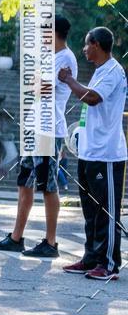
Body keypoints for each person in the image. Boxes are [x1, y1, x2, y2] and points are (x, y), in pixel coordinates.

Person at [0, 16, 77, 258]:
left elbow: (39, 88)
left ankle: (50, 242)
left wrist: (36, 79)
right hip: (34, 127)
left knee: (48, 185)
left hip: (49, 130)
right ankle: (16, 237)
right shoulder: (50, 58)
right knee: (24, 181)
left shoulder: (65, 58)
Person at [59, 27, 127, 280]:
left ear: (96, 44)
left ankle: (109, 264)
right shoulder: (101, 71)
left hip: (107, 154)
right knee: (90, 212)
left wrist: (69, 80)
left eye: (86, 44)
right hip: (90, 151)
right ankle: (91, 258)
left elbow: (92, 97)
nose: (84, 49)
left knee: (107, 212)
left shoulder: (113, 71)